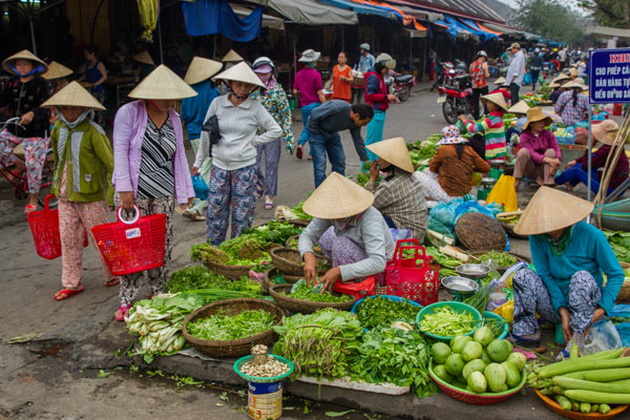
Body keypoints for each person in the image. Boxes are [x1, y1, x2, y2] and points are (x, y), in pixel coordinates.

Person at [112, 65, 196, 321]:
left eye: (172, 97)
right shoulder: (129, 113)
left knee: (160, 246)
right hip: (134, 194)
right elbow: (120, 149)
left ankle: (157, 291)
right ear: (149, 94)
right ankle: (127, 298)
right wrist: (124, 188)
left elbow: (179, 155)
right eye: (164, 96)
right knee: (132, 247)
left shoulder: (172, 116)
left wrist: (185, 192)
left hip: (163, 194)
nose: (169, 101)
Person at [510, 187, 624, 354]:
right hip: (556, 305)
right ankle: (527, 334)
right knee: (522, 275)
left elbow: (616, 274)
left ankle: (578, 339)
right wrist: (562, 311)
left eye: (555, 226)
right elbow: (545, 274)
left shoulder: (591, 235)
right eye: (545, 227)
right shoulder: (538, 236)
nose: (550, 232)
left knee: (581, 278)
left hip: (587, 309)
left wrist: (601, 310)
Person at [41, 82, 120, 300]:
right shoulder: (58, 129)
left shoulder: (94, 132)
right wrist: (55, 184)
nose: (70, 113)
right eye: (65, 108)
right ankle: (71, 282)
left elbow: (111, 164)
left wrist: (111, 193)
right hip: (65, 194)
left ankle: (113, 274)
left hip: (91, 195)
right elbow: (58, 160)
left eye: (75, 108)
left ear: (85, 109)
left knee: (102, 238)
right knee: (68, 238)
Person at [193, 62, 281, 245]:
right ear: (230, 84)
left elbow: (275, 130)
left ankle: (236, 253)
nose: (243, 88)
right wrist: (198, 161)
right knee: (216, 212)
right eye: (238, 84)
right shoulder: (217, 103)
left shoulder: (255, 107)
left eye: (247, 85)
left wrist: (254, 141)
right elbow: (206, 133)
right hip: (219, 166)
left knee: (242, 215)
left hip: (244, 169)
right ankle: (215, 252)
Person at [298, 172, 395, 296]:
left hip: (379, 269)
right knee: (326, 235)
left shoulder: (370, 218)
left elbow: (378, 262)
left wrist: (340, 270)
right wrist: (308, 256)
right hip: (355, 249)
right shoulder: (331, 210)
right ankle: (340, 270)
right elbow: (308, 234)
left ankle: (349, 285)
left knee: (341, 244)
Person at [0, 49, 50, 213]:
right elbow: (3, 100)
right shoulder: (12, 82)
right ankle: (19, 165)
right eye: (19, 64)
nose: (22, 67)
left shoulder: (40, 83)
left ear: (33, 66)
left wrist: (33, 113)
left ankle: (33, 198)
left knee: (33, 164)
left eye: (25, 64)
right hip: (15, 127)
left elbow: (47, 105)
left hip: (36, 131)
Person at [180, 56, 222, 221]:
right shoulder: (213, 91)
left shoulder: (188, 91)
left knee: (203, 166)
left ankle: (204, 200)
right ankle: (195, 204)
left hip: (192, 132)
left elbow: (184, 115)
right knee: (204, 167)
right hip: (208, 134)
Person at [250, 56, 295, 210]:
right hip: (254, 133)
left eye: (266, 73)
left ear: (272, 72)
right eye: (259, 73)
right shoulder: (251, 90)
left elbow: (286, 114)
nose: (263, 76)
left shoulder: (278, 90)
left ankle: (269, 194)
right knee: (252, 163)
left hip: (273, 133)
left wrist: (289, 138)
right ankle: (260, 183)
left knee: (271, 164)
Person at [364, 137, 428, 242]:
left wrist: (372, 178)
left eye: (381, 158)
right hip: (417, 232)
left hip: (408, 236)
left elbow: (366, 204)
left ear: (390, 161)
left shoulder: (390, 186)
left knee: (366, 219)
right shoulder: (407, 176)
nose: (378, 161)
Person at [306, 100, 373, 187]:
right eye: (364, 122)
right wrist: (315, 131)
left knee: (340, 161)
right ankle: (320, 191)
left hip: (332, 133)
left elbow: (358, 140)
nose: (364, 125)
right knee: (320, 164)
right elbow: (314, 114)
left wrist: (365, 159)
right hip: (317, 133)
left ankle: (339, 189)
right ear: (357, 116)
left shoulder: (355, 123)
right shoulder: (336, 108)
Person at [418, 125, 490, 202]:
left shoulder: (443, 150)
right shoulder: (469, 150)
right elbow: (486, 168)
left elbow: (432, 168)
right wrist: (469, 168)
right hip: (465, 195)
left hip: (449, 197)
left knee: (419, 174)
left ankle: (430, 200)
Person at [556, 119, 629, 194]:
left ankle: (556, 181)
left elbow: (586, 165)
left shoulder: (607, 149)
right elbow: (594, 156)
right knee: (579, 165)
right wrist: (576, 161)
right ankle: (570, 184)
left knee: (577, 169)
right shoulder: (613, 147)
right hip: (619, 189)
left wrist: (589, 147)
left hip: (610, 190)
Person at [513, 107, 562, 189]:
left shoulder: (548, 134)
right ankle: (517, 180)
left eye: (543, 121)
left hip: (545, 167)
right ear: (531, 124)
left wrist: (557, 159)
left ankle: (548, 183)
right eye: (539, 121)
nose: (542, 124)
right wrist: (548, 160)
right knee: (523, 151)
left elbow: (556, 148)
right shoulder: (524, 136)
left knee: (551, 151)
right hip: (530, 167)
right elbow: (532, 153)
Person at [364, 53, 398, 161]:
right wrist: (386, 97)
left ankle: (375, 165)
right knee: (372, 141)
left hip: (380, 111)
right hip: (375, 111)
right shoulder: (373, 77)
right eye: (385, 69)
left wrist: (388, 98)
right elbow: (369, 95)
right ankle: (368, 167)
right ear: (380, 67)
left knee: (377, 141)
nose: (386, 71)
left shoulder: (378, 76)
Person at [293, 49, 325, 160]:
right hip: (315, 105)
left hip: (304, 105)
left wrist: (302, 92)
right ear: (313, 61)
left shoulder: (298, 74)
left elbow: (295, 91)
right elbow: (320, 93)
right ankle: (312, 153)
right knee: (316, 129)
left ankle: (301, 144)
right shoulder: (316, 74)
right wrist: (326, 105)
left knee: (307, 127)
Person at [459, 92, 508, 160]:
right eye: (487, 103)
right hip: (499, 150)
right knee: (477, 136)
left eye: (490, 103)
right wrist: (470, 122)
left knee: (469, 141)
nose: (487, 105)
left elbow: (472, 129)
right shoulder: (498, 117)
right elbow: (482, 128)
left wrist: (464, 120)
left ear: (496, 106)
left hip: (494, 152)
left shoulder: (492, 119)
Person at [469, 50, 490, 119]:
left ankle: (476, 117)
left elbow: (471, 75)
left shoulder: (472, 64)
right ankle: (487, 115)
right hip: (483, 85)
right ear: (483, 57)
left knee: (476, 102)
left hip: (474, 86)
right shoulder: (484, 64)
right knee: (486, 101)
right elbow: (486, 75)